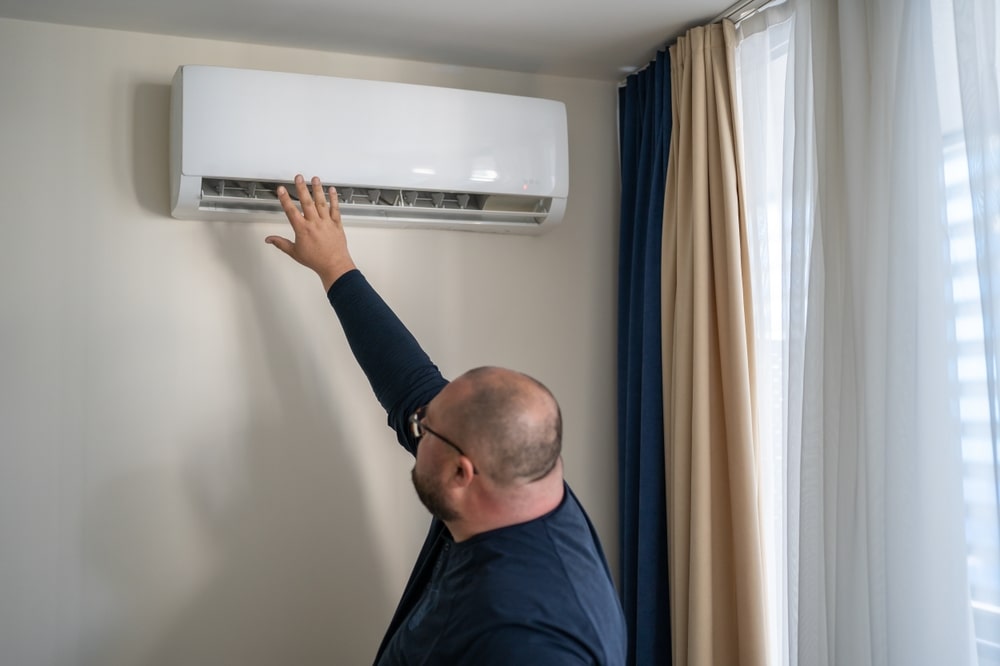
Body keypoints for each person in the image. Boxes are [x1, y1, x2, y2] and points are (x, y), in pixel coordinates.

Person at [265, 175, 627, 665]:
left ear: (462, 472)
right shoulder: (519, 481)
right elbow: (410, 384)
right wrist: (335, 266)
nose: (413, 425)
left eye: (423, 430)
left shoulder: (526, 640)